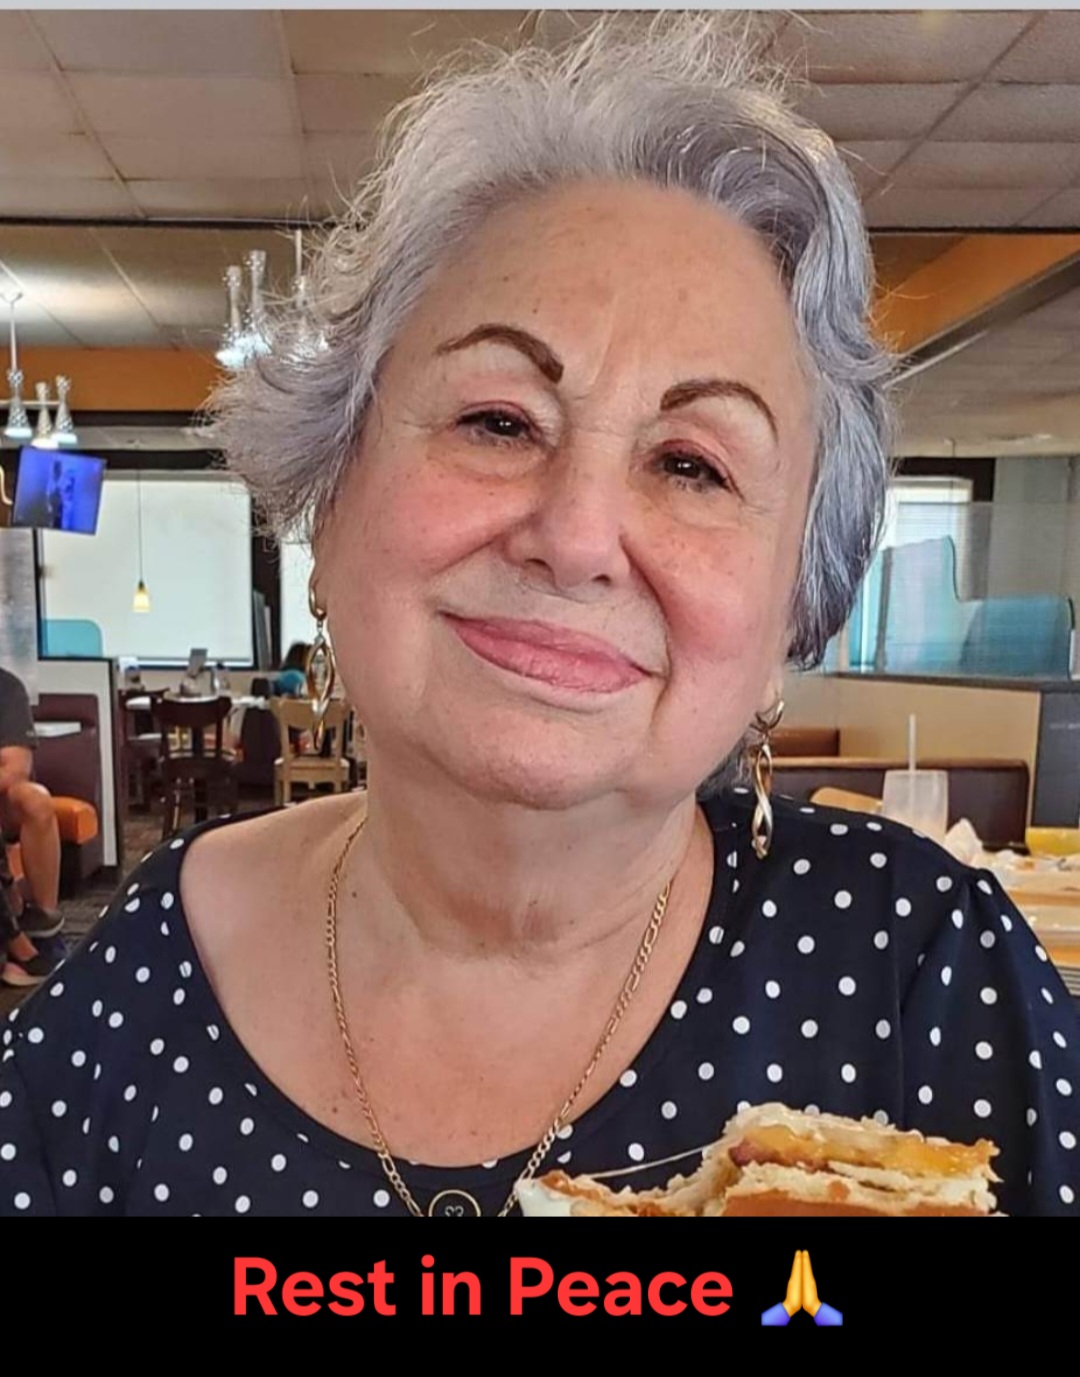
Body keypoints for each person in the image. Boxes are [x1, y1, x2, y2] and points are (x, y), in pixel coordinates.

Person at [1, 16, 1076, 1217]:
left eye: (693, 465)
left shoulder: (927, 971)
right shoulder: (131, 993)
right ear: (330, 497)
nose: (575, 536)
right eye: (499, 422)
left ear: (792, 608)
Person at [0, 666, 64, 988]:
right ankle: (15, 939)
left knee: (36, 801)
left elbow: (13, 769)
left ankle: (45, 923)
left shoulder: (6, 687)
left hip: (2, 799)